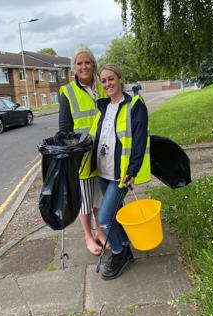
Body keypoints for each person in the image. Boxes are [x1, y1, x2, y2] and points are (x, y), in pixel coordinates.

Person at [87, 64, 151, 280]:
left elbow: (139, 142)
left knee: (104, 219)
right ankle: (124, 247)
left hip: (120, 174)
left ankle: (118, 253)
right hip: (103, 171)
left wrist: (133, 170)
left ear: (121, 79)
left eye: (111, 79)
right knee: (114, 214)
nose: (107, 84)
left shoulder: (135, 105)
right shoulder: (103, 107)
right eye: (103, 80)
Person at [58, 44, 108, 256]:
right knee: (85, 201)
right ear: (74, 68)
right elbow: (64, 129)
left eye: (87, 62)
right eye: (79, 63)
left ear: (93, 65)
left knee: (99, 197)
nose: (84, 66)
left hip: (105, 152)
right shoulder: (67, 92)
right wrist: (75, 150)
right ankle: (88, 236)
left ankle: (100, 231)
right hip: (83, 156)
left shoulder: (104, 86)